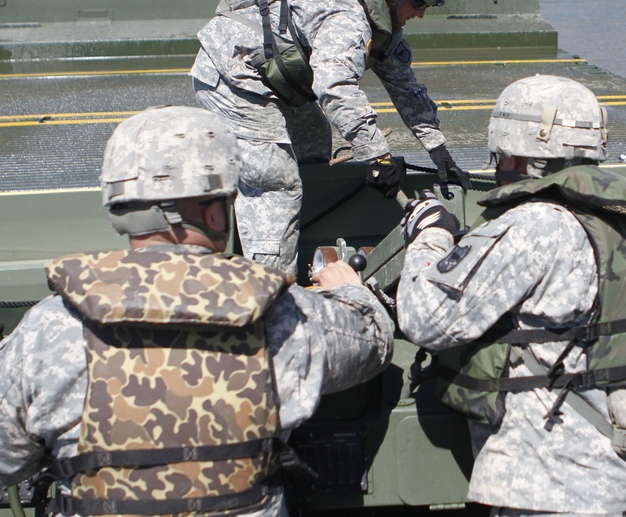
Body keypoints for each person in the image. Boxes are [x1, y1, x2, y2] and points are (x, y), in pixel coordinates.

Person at [0, 106, 394, 516]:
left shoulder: (49, 329)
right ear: (213, 212)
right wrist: (349, 287)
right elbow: (372, 342)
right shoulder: (278, 314)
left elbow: (7, 461)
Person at [395, 75, 626, 516]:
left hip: (553, 488)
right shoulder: (615, 224)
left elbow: (425, 316)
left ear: (519, 149)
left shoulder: (538, 224)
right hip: (622, 482)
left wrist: (430, 234)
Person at [191, 0, 470, 275]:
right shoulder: (345, 15)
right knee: (276, 181)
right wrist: (376, 155)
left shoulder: (382, 12)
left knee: (313, 144)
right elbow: (335, 88)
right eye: (419, 4)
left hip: (273, 78)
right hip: (233, 77)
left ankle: (302, 240)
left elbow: (404, 84)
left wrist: (436, 147)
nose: (422, 14)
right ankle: (271, 286)